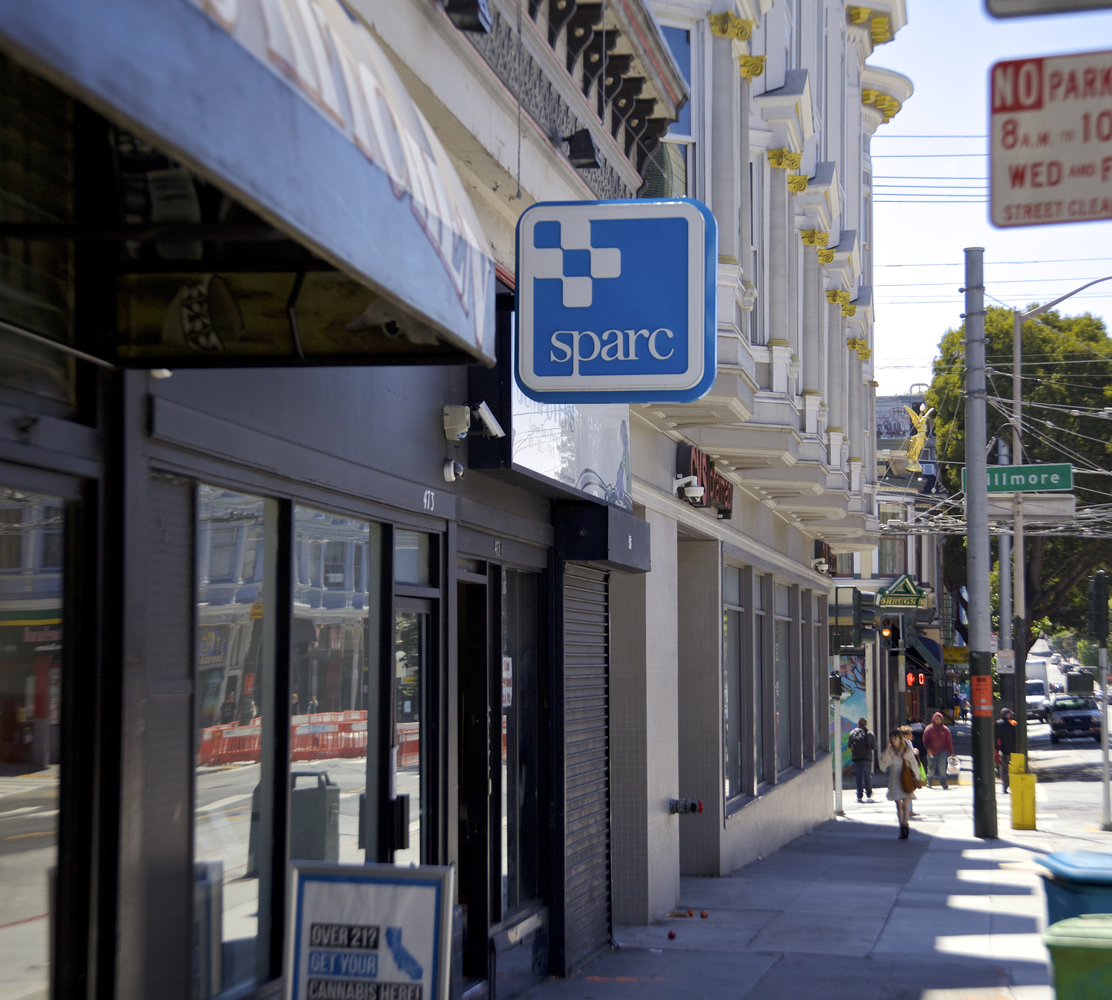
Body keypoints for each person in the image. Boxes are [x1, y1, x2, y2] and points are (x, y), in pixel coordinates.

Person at [879, 729, 919, 839]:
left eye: (895, 738)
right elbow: (883, 759)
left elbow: (915, 765)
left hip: (905, 780)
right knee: (898, 806)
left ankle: (905, 826)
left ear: (899, 739)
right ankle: (901, 826)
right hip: (894, 780)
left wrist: (907, 759)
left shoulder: (907, 750)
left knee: (905, 805)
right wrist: (887, 746)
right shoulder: (890, 750)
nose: (892, 740)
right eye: (891, 738)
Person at [847, 717, 877, 802]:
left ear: (858, 724)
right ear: (866, 724)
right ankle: (869, 792)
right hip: (867, 757)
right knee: (867, 775)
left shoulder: (852, 733)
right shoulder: (870, 733)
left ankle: (859, 794)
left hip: (856, 757)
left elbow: (849, 745)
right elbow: (874, 746)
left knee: (859, 776)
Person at [923, 712, 954, 790]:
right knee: (931, 767)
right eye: (936, 719)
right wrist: (928, 749)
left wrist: (951, 752)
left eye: (939, 719)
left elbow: (949, 742)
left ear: (942, 720)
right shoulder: (929, 729)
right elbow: (925, 740)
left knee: (942, 767)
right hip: (931, 751)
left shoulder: (946, 730)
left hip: (942, 751)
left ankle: (943, 783)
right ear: (933, 719)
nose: (937, 721)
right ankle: (929, 782)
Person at [995, 708, 1017, 793]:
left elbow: (995, 737)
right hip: (1012, 750)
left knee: (1003, 769)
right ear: (1008, 714)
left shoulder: (997, 723)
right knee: (1012, 769)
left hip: (1001, 750)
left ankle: (1004, 787)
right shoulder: (1013, 723)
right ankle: (1012, 785)